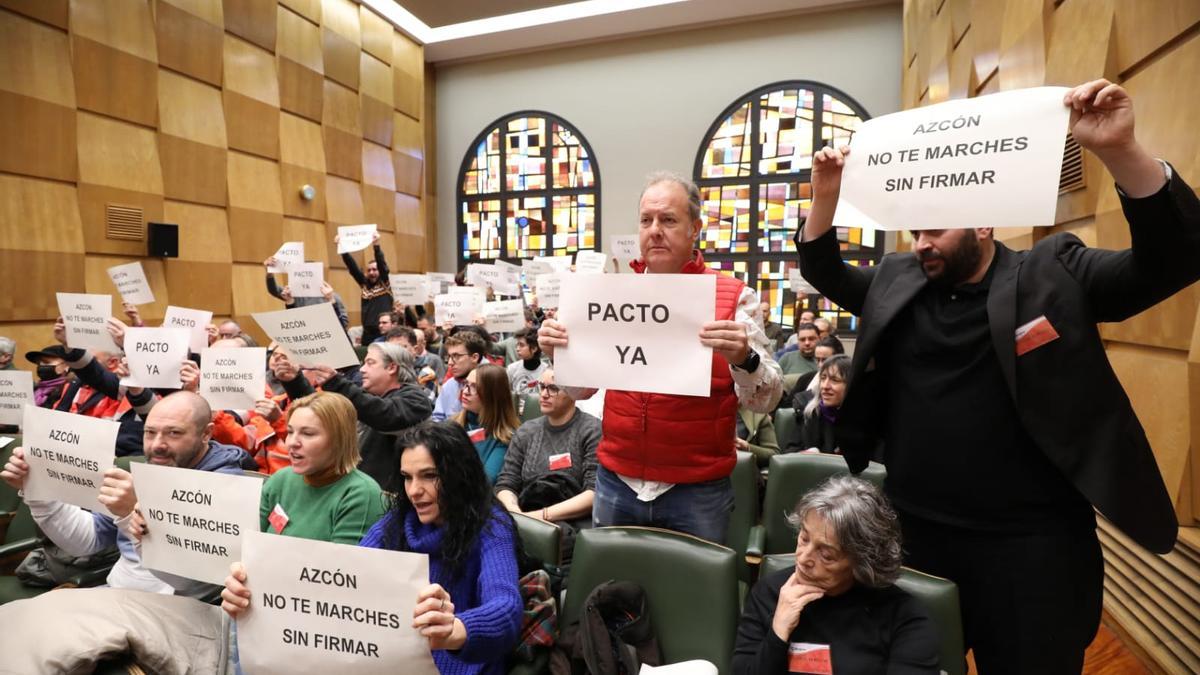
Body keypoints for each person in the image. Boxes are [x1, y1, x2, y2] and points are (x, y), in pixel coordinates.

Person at [796, 79, 1200, 674]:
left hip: (1032, 549)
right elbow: (825, 266)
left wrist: (1120, 151)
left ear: (984, 223)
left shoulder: (1053, 272)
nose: (922, 243)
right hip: (916, 536)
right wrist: (825, 196)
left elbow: (1173, 258)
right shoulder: (899, 281)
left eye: (937, 228)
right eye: (915, 230)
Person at [539, 171, 783, 543]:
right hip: (616, 481)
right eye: (646, 220)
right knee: (611, 593)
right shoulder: (609, 297)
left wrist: (744, 358)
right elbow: (579, 391)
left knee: (693, 596)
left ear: (695, 228)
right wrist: (559, 354)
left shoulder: (735, 297)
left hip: (696, 490)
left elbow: (765, 400)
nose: (655, 230)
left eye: (668, 220)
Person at [221, 422, 524, 675]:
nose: (414, 490)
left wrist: (455, 630)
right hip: (384, 657)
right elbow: (348, 576)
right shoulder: (400, 520)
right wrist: (259, 595)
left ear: (460, 474)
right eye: (406, 478)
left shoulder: (491, 526)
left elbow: (506, 607)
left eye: (430, 476)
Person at [0, 391, 248, 596]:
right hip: (114, 594)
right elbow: (86, 542)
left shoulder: (225, 486)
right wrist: (38, 492)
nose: (157, 445)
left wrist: (132, 514)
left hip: (172, 613)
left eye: (174, 433)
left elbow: (192, 584)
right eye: (150, 432)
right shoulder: (150, 470)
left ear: (206, 433)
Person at [733, 476, 939, 674]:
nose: (803, 558)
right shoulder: (770, 594)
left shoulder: (903, 617)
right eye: (804, 538)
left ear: (862, 563)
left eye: (826, 555)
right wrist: (777, 633)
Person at [274, 342, 432, 490]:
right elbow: (322, 415)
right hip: (354, 488)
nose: (362, 369)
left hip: (390, 497)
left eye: (370, 363)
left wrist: (336, 383)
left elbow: (385, 416)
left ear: (391, 367)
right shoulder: (365, 400)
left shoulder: (416, 399)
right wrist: (294, 381)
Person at [495, 369, 601, 526]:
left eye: (553, 388)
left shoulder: (592, 430)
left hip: (571, 524)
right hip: (524, 515)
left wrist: (540, 516)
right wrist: (514, 511)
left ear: (573, 393)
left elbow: (593, 492)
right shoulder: (526, 431)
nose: (544, 394)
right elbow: (507, 482)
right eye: (541, 387)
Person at [453, 363, 520, 484]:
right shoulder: (452, 424)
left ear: (492, 395)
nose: (466, 392)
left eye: (474, 387)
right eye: (466, 384)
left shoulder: (506, 437)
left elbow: (485, 481)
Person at [783, 355, 849, 455]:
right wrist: (804, 454)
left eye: (835, 380)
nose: (825, 386)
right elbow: (789, 454)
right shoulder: (809, 413)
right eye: (823, 378)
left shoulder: (865, 420)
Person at [339, 231, 393, 344]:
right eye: (369, 270)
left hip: (382, 332)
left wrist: (376, 246)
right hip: (367, 333)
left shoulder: (385, 283)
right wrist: (342, 247)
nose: (371, 272)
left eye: (374, 269)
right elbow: (352, 267)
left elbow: (382, 266)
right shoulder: (364, 284)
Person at [433, 331, 487, 422]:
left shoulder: (491, 382)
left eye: (456, 356)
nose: (450, 363)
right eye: (449, 357)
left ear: (474, 357)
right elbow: (437, 418)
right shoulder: (449, 385)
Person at [505, 327, 547, 396]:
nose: (517, 349)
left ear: (534, 348)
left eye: (521, 345)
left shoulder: (546, 371)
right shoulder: (511, 369)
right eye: (517, 345)